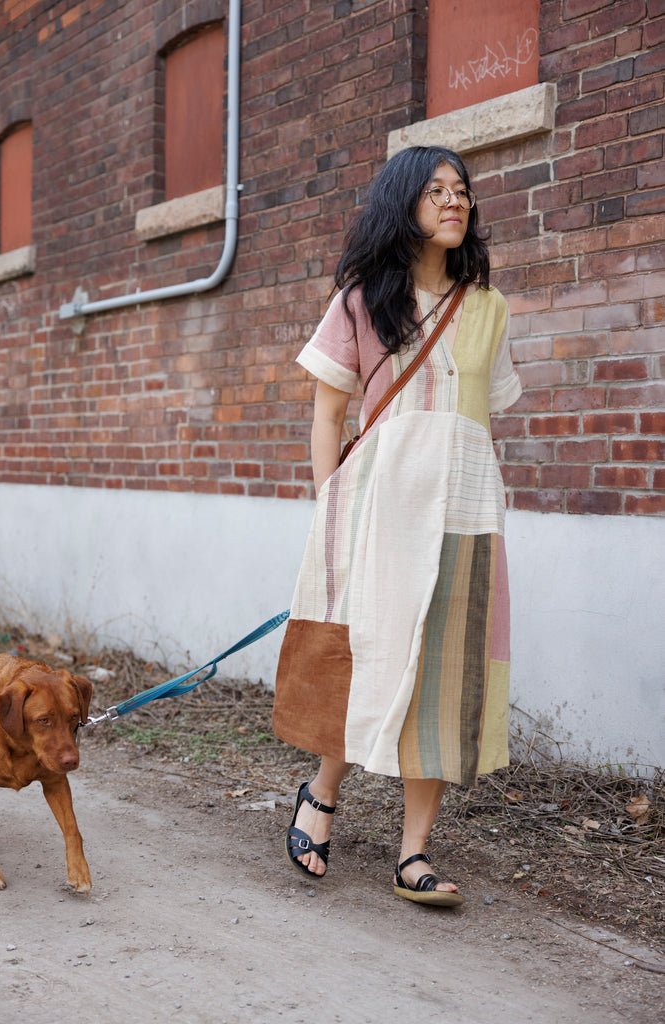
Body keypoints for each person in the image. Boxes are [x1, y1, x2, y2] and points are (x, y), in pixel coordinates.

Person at [272, 145, 522, 907]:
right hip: (374, 509)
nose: (455, 202)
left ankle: (414, 852)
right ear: (402, 203)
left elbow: (482, 417)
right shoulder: (361, 300)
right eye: (437, 191)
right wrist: (329, 508)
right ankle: (320, 795)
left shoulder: (488, 307)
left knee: (446, 672)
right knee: (361, 655)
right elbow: (327, 413)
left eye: (462, 192)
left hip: (465, 512)